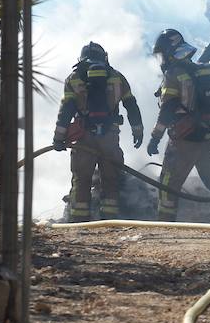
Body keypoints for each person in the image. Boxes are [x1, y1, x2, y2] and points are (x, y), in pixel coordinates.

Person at [147, 28, 210, 223]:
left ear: (170, 52)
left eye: (162, 55)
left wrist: (155, 137)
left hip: (184, 140)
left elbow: (167, 110)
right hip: (206, 137)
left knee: (168, 183)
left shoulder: (174, 74)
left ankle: (165, 222)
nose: (161, 60)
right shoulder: (199, 71)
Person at [53, 42, 144, 221]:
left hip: (84, 136)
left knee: (81, 180)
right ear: (104, 57)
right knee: (111, 179)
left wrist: (58, 137)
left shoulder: (74, 78)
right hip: (110, 137)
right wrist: (138, 131)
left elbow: (66, 110)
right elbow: (131, 105)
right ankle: (109, 221)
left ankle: (79, 221)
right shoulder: (117, 77)